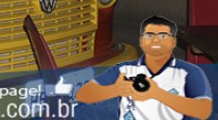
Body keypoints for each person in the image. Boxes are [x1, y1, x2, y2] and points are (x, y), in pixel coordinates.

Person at [76, 15, 213, 120]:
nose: (155, 40)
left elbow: (204, 110)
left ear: (173, 42)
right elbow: (83, 95)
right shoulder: (125, 69)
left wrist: (157, 93)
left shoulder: (188, 72)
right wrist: (115, 90)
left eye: (163, 36)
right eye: (149, 35)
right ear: (142, 42)